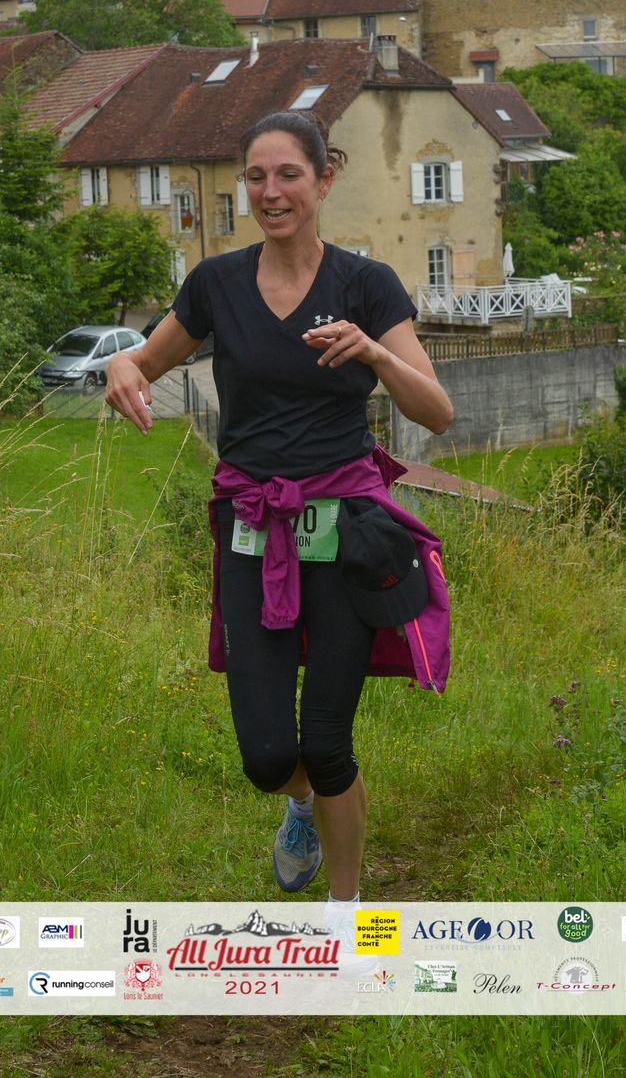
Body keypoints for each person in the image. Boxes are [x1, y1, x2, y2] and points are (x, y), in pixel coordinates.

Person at [105, 111, 453, 912]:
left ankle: (346, 918)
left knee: (327, 742)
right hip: (252, 528)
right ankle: (299, 807)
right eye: (256, 177)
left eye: (288, 174)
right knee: (267, 757)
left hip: (346, 533)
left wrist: (374, 351)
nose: (271, 192)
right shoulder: (216, 284)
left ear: (323, 179)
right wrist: (121, 367)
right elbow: (144, 360)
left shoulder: (366, 286)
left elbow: (437, 411)